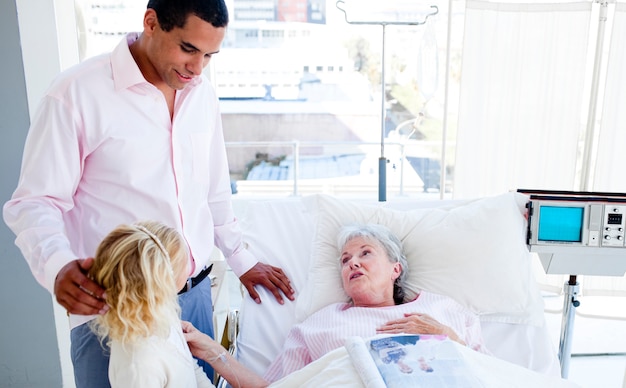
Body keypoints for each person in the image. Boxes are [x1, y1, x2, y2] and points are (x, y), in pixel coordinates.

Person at [2, 1, 294, 387]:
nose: (197, 68)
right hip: (117, 307)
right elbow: (36, 202)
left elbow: (213, 190)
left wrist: (241, 258)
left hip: (195, 298)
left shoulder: (201, 94)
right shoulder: (75, 93)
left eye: (209, 56)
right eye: (188, 49)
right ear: (151, 23)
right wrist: (57, 265)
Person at [263, 223, 489, 382]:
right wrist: (225, 359)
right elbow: (279, 385)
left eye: (365, 253)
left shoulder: (443, 310)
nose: (353, 263)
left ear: (395, 269)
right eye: (345, 260)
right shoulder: (319, 323)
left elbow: (492, 375)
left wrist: (450, 338)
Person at [88, 221, 267, 388]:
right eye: (185, 262)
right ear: (164, 279)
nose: (191, 268)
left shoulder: (162, 316)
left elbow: (191, 370)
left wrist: (212, 351)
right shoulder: (139, 364)